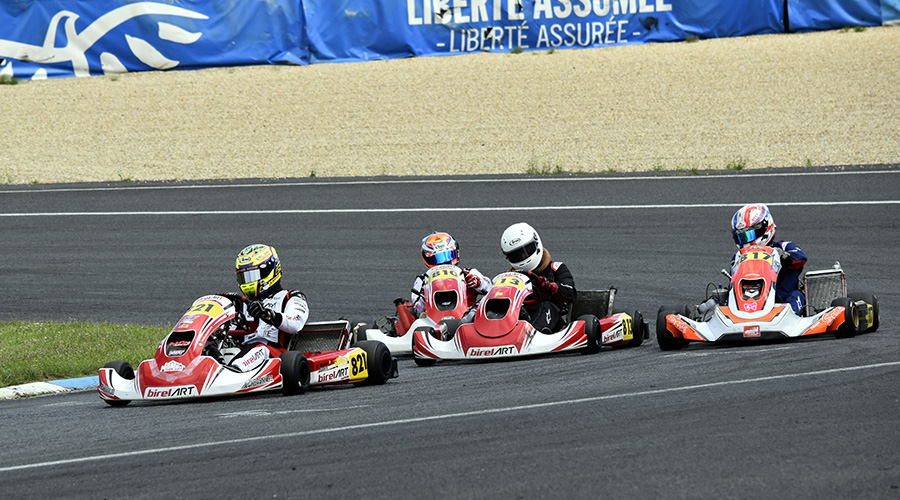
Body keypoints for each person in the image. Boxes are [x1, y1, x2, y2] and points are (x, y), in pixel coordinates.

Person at [217, 244, 310, 372]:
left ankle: (233, 373)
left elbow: (295, 323)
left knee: (258, 348)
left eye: (252, 276)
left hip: (273, 355)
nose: (247, 282)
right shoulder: (239, 303)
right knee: (209, 345)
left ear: (269, 271)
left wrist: (267, 314)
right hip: (240, 352)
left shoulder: (291, 297)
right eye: (244, 277)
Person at [730, 204, 807, 313]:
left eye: (749, 235)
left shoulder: (783, 246)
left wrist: (785, 257)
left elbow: (801, 258)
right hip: (746, 300)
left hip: (781, 298)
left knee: (797, 295)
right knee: (718, 299)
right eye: (741, 237)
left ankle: (789, 318)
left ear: (765, 228)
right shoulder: (739, 256)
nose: (746, 241)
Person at [500, 222, 576, 334]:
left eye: (526, 251)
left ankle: (532, 334)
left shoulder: (556, 268)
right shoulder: (509, 277)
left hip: (550, 317)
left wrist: (552, 287)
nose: (522, 257)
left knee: (546, 306)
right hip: (518, 315)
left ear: (536, 243)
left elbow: (571, 293)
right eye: (516, 255)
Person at [407, 231, 490, 317]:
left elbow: (490, 288)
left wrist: (478, 283)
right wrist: (425, 294)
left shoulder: (469, 273)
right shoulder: (422, 280)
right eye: (436, 258)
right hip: (432, 322)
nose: (442, 263)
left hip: (467, 319)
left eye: (446, 256)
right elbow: (417, 310)